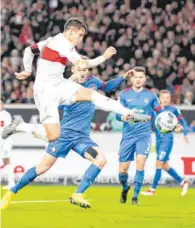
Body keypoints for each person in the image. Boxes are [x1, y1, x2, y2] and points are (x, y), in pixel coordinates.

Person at [0, 62, 133, 210]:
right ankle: (11, 193)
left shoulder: (93, 81)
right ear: (73, 70)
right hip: (64, 135)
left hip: (82, 138)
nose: (83, 73)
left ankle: (78, 194)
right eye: (79, 70)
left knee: (101, 159)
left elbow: (107, 87)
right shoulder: (64, 88)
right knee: (42, 168)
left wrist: (123, 77)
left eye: (85, 69)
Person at [5, 17, 150, 144]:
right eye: (80, 35)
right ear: (71, 32)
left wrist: (28, 70)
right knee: (53, 136)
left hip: (60, 84)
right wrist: (104, 57)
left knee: (92, 95)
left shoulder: (51, 41)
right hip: (45, 92)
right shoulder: (63, 44)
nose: (80, 40)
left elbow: (29, 51)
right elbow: (83, 64)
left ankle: (130, 114)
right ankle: (19, 126)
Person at [116, 67, 164, 205]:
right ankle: (125, 187)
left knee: (140, 164)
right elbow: (117, 115)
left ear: (144, 79)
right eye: (136, 77)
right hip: (128, 136)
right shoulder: (124, 95)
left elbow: (160, 114)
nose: (138, 79)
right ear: (131, 79)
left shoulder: (151, 96)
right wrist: (128, 118)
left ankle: (135, 197)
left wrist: (172, 124)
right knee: (122, 171)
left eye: (141, 77)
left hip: (144, 135)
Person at [141, 90, 189, 196]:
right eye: (163, 97)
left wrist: (184, 133)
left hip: (167, 140)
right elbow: (148, 121)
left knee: (158, 163)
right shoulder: (154, 110)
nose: (166, 99)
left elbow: (184, 123)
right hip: (158, 140)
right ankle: (182, 181)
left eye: (168, 97)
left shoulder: (173, 109)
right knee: (164, 165)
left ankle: (152, 189)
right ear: (159, 98)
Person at [0, 98, 15, 190]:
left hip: (6, 141)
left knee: (6, 160)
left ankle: (11, 182)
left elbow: (8, 129)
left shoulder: (6, 115)